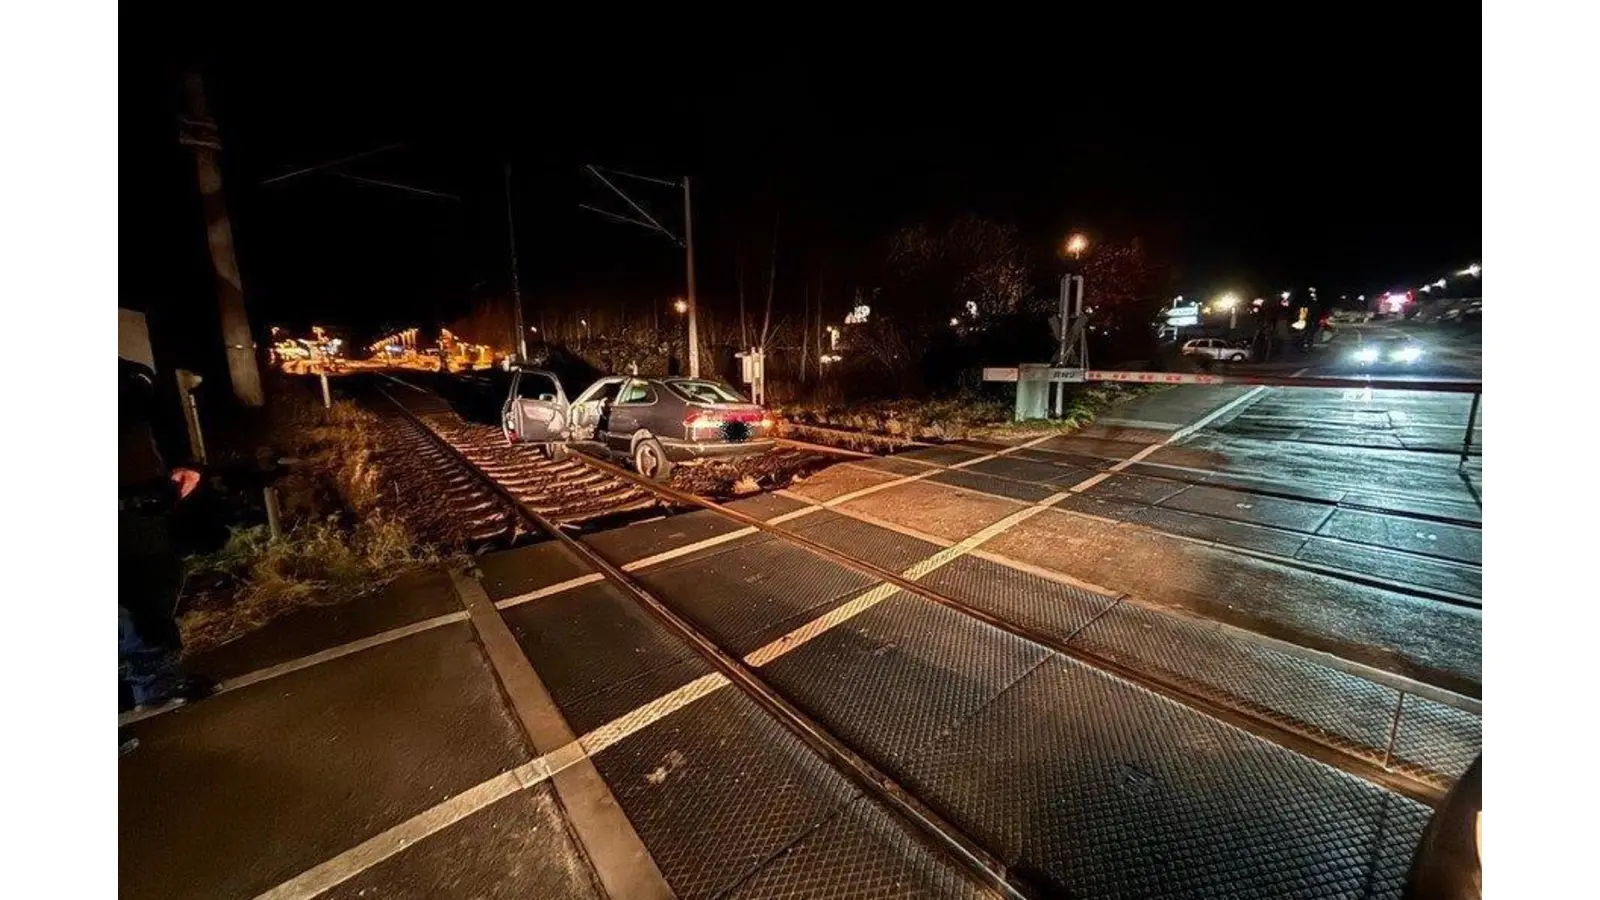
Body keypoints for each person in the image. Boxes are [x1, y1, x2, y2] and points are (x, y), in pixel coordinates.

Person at [119, 358, 212, 720]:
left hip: (140, 505)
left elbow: (164, 418)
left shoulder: (130, 374)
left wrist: (186, 463)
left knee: (152, 596)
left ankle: (156, 686)